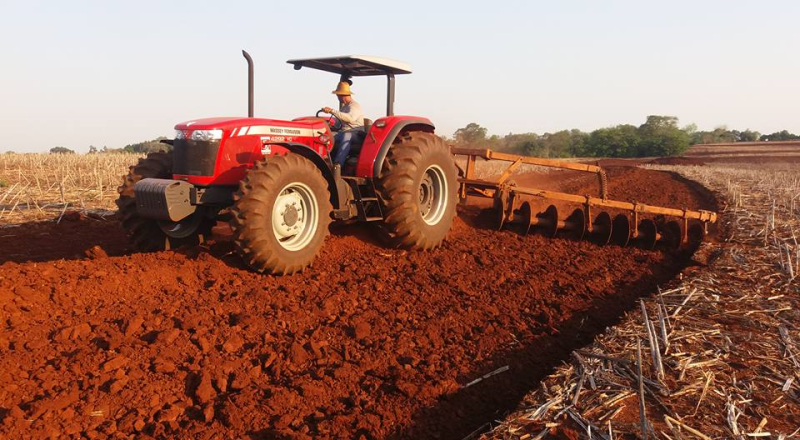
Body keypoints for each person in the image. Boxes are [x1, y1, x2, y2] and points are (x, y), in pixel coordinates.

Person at [322, 81, 365, 167]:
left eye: (338, 95)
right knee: (325, 137)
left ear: (341, 95)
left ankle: (337, 165)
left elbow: (350, 118)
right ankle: (324, 161)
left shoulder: (354, 106)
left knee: (347, 135)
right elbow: (339, 125)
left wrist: (332, 111)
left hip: (356, 134)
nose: (337, 97)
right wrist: (330, 127)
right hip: (342, 132)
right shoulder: (344, 107)